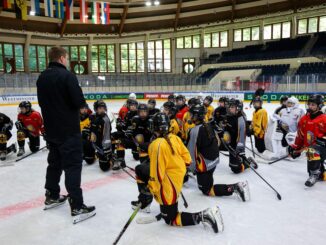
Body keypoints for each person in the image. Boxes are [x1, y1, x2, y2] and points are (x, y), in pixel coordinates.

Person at [134, 112, 224, 233]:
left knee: (169, 219)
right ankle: (168, 209)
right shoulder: (174, 137)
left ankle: (205, 216)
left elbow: (157, 174)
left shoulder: (156, 145)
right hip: (177, 179)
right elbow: (187, 159)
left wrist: (151, 189)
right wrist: (176, 169)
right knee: (140, 168)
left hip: (168, 184)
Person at [37, 46, 95, 224]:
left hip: (52, 130)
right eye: (67, 58)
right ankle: (77, 206)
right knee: (72, 166)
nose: (68, 61)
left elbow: (41, 102)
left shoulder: (42, 77)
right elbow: (79, 102)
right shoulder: (67, 76)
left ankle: (52, 195)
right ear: (62, 58)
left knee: (54, 164)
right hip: (68, 131)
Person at [187, 104, 250, 201]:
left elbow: (191, 152)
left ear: (196, 116)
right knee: (207, 181)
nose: (189, 116)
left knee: (206, 189)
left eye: (191, 115)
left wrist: (191, 168)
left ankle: (236, 187)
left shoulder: (194, 131)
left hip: (205, 164)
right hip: (213, 160)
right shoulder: (207, 125)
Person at [288, 94, 326, 187]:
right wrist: (296, 148)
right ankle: (320, 173)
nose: (310, 106)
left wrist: (324, 141)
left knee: (312, 150)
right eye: (309, 104)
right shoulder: (304, 119)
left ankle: (315, 174)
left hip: (323, 148)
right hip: (311, 148)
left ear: (319, 106)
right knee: (311, 151)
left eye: (313, 105)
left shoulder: (324, 119)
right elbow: (300, 136)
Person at [224, 99, 256, 173]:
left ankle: (249, 162)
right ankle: (241, 162)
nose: (229, 108)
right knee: (232, 166)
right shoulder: (229, 116)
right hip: (230, 142)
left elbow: (241, 136)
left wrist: (240, 150)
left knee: (236, 169)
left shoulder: (240, 120)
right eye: (229, 107)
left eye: (232, 107)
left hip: (236, 145)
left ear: (238, 108)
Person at [89, 100, 113, 171]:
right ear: (96, 109)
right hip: (94, 142)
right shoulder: (92, 117)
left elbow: (107, 136)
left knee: (104, 168)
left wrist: (105, 149)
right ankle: (94, 153)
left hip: (102, 145)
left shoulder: (105, 120)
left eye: (103, 108)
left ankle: (109, 155)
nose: (102, 110)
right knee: (88, 159)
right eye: (100, 108)